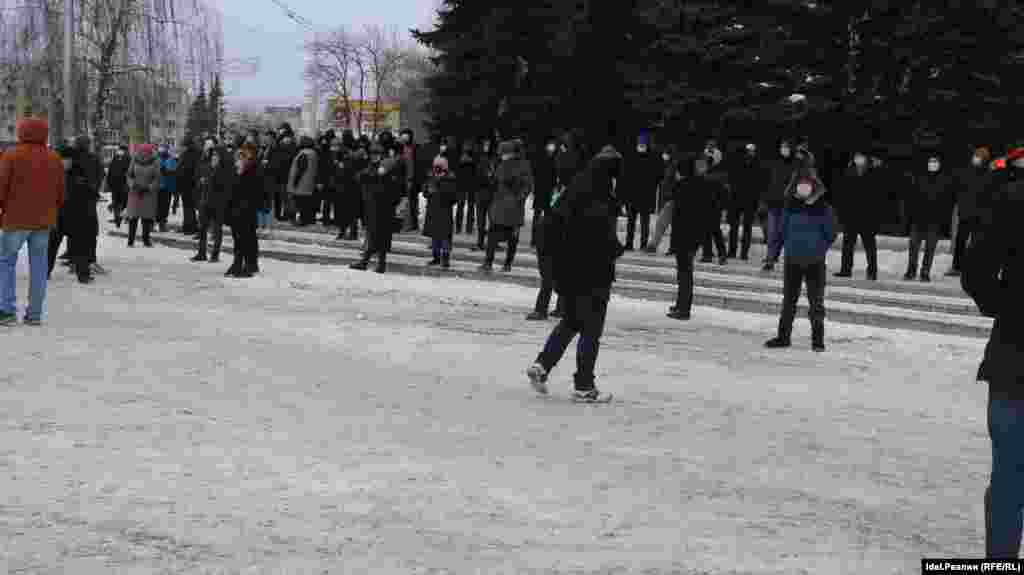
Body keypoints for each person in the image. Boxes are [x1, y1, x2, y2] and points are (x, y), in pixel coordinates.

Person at [961, 146, 1024, 558]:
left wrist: (1008, 306)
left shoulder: (1013, 197)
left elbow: (976, 271)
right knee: (1010, 477)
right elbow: (976, 270)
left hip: (1014, 355)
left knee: (1009, 477)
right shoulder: (1015, 199)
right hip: (1015, 361)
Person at [525, 144, 624, 403]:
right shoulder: (600, 196)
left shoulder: (575, 188)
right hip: (593, 273)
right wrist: (616, 249)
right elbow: (600, 236)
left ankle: (542, 365)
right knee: (591, 329)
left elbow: (554, 225)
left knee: (571, 322)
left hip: (567, 271)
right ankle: (584, 385)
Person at [763, 148, 834, 351]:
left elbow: (830, 233)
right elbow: (781, 232)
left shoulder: (822, 208)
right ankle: (783, 337)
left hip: (814, 260)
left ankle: (817, 340)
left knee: (815, 302)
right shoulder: (790, 207)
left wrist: (819, 248)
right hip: (793, 258)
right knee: (789, 301)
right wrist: (776, 253)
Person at [0, 117, 65, 326]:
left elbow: (2, 186)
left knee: (6, 263)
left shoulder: (11, 155)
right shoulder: (54, 157)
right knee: (39, 266)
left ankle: (6, 310)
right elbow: (60, 193)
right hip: (44, 221)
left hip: (15, 219)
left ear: (21, 132)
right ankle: (34, 313)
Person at [668, 156, 724, 320]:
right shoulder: (701, 185)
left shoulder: (683, 186)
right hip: (693, 236)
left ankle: (683, 308)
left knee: (684, 274)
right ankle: (681, 304)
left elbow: (678, 213)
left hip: (684, 235)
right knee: (685, 273)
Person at [480, 140, 533, 272]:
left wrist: (518, 197)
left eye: (503, 153)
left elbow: (527, 186)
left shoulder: (522, 165)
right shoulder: (503, 164)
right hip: (501, 206)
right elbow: (496, 182)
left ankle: (504, 263)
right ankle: (490, 262)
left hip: (512, 207)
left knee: (510, 238)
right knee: (495, 235)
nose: (502, 155)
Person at [349, 143, 402, 273]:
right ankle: (376, 263)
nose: (374, 156)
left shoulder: (385, 167)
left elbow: (378, 179)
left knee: (379, 235)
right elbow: (361, 176)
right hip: (373, 205)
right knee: (375, 234)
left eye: (377, 154)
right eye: (372, 153)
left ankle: (369, 262)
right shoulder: (372, 167)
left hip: (383, 206)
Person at [904, 154, 953, 282]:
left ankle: (925, 272)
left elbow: (947, 202)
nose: (932, 164)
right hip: (918, 219)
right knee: (913, 246)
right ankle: (911, 270)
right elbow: (911, 197)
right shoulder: (920, 177)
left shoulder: (944, 180)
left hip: (934, 221)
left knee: (930, 249)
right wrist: (911, 216)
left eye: (935, 162)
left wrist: (943, 219)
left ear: (939, 164)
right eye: (931, 161)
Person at [947, 147, 993, 277]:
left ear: (984, 159)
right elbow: (959, 190)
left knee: (977, 243)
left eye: (979, 157)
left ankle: (974, 267)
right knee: (960, 241)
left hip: (979, 215)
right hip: (965, 213)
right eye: (975, 155)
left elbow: (989, 195)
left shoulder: (988, 175)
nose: (976, 158)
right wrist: (961, 205)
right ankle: (957, 267)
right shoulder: (966, 172)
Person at [834, 150, 880, 280]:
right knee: (848, 245)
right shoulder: (849, 171)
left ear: (865, 158)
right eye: (856, 157)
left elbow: (878, 195)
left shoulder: (873, 172)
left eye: (861, 157)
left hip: (867, 216)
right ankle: (845, 269)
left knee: (870, 246)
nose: (858, 159)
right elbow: (843, 193)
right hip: (851, 215)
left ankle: (872, 272)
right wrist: (843, 213)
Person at [64, 135, 103, 283]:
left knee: (73, 234)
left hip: (70, 201)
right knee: (87, 235)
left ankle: (73, 261)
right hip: (87, 201)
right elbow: (98, 177)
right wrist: (93, 189)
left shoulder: (70, 158)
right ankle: (86, 265)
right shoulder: (92, 159)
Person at [224, 143, 263, 278]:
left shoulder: (254, 169)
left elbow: (256, 191)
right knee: (238, 238)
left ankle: (249, 264)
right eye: (241, 154)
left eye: (246, 154)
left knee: (247, 238)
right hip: (235, 209)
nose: (243, 157)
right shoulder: (236, 169)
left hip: (247, 210)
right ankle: (237, 263)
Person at [192, 144, 234, 263]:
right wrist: (201, 182)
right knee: (202, 228)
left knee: (217, 230)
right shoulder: (207, 167)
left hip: (218, 203)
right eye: (213, 155)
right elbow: (200, 182)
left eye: (216, 155)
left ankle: (215, 254)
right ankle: (201, 253)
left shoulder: (225, 170)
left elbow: (224, 186)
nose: (214, 157)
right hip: (205, 201)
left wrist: (207, 181)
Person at [762, 139, 796, 271]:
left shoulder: (795, 165)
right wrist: (766, 199)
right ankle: (770, 259)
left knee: (783, 234)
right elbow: (769, 182)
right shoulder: (775, 163)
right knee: (772, 233)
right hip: (774, 203)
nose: (784, 149)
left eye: (786, 147)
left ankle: (775, 256)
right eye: (782, 147)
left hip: (787, 204)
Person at [727, 143, 765, 261]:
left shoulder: (758, 165)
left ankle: (744, 253)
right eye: (749, 151)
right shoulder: (737, 163)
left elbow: (760, 183)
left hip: (750, 200)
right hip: (736, 198)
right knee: (734, 227)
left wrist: (758, 200)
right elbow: (731, 180)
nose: (750, 153)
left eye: (752, 151)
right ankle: (732, 251)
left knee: (747, 227)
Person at [423, 146, 457, 268]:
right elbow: (425, 193)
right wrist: (427, 190)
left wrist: (439, 191)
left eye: (439, 166)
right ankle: (436, 257)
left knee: (445, 237)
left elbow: (453, 198)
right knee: (434, 236)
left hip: (444, 211)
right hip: (433, 209)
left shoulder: (450, 179)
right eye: (435, 166)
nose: (436, 168)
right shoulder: (431, 177)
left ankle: (445, 259)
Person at [623, 138, 659, 251]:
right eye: (640, 144)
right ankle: (632, 243)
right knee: (635, 221)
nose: (641, 146)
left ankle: (639, 243)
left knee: (640, 221)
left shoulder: (648, 158)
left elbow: (658, 175)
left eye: (642, 144)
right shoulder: (634, 157)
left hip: (643, 194)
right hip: (637, 194)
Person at [124, 144, 161, 248]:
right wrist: (132, 184)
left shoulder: (155, 161)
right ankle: (130, 240)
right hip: (135, 192)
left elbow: (157, 178)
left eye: (146, 152)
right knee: (133, 217)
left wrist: (149, 187)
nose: (144, 154)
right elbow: (129, 174)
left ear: (150, 152)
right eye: (142, 152)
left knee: (146, 218)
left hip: (148, 193)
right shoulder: (134, 160)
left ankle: (146, 239)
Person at [644, 145, 678, 254]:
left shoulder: (673, 166)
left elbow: (674, 183)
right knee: (670, 224)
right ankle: (672, 247)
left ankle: (653, 245)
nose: (664, 156)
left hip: (672, 199)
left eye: (666, 153)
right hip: (670, 198)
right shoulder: (669, 166)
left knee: (661, 223)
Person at [287, 136, 319, 226]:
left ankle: (302, 221)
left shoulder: (304, 154)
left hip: (301, 183)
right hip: (309, 182)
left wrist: (295, 182)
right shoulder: (314, 153)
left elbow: (301, 169)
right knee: (306, 203)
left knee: (300, 204)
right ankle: (307, 220)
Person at [473, 138, 496, 251]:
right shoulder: (481, 159)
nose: (486, 147)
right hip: (482, 192)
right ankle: (482, 242)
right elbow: (476, 176)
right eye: (485, 144)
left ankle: (490, 242)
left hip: (488, 193)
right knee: (482, 221)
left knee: (490, 220)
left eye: (488, 144)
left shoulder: (493, 160)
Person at [176, 137, 201, 235]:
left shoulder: (188, 155)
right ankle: (189, 226)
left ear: (186, 146)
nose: (181, 147)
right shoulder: (192, 154)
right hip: (189, 184)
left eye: (182, 145)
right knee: (189, 207)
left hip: (188, 185)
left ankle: (189, 227)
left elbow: (185, 170)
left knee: (188, 207)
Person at [105, 145, 131, 228]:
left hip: (114, 185)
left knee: (116, 202)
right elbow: (131, 172)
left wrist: (109, 183)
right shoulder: (128, 158)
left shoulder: (115, 157)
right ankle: (123, 217)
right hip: (124, 185)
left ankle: (117, 219)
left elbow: (110, 171)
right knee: (124, 202)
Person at [156, 145, 176, 232]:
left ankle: (162, 224)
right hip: (159, 187)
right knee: (159, 206)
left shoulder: (170, 160)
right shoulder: (156, 159)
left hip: (166, 187)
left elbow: (174, 172)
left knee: (164, 207)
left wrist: (167, 171)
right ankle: (159, 224)